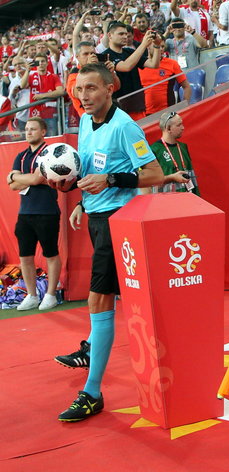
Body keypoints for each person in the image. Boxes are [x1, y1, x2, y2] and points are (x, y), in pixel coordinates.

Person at [51, 63, 164, 419]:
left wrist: (110, 180)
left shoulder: (125, 127)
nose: (83, 96)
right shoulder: (85, 122)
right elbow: (89, 169)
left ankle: (92, 391)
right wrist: (83, 201)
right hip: (97, 219)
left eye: (91, 89)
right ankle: (92, 352)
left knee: (99, 300)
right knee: (105, 301)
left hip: (120, 222)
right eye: (80, 89)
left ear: (110, 89)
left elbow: (154, 174)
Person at [6, 117, 61, 311]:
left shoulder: (50, 153)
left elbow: (37, 178)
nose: (28, 132)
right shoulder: (20, 156)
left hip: (47, 212)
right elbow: (11, 185)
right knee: (25, 257)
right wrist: (22, 178)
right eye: (27, 129)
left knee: (51, 254)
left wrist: (17, 176)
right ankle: (31, 295)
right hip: (25, 213)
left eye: (33, 129)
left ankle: (51, 294)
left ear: (43, 132)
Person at [101, 21, 162, 120]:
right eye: (121, 34)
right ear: (110, 35)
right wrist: (143, 45)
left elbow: (154, 64)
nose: (125, 37)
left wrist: (157, 45)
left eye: (126, 34)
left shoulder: (130, 52)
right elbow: (126, 66)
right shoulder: (106, 56)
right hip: (119, 106)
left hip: (136, 103)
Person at [151, 111, 199, 194]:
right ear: (168, 128)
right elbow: (150, 182)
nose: (183, 127)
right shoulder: (154, 150)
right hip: (168, 203)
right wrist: (172, 177)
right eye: (179, 125)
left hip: (189, 200)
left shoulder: (183, 147)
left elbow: (192, 178)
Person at [139, 46, 191, 114]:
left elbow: (187, 87)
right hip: (145, 115)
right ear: (148, 46)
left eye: (162, 46)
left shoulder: (172, 64)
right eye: (156, 46)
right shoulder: (140, 65)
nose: (160, 49)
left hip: (168, 112)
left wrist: (184, 108)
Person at [26, 54, 64, 137]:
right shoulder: (31, 76)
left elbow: (60, 91)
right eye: (38, 62)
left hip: (50, 114)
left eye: (42, 61)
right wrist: (27, 70)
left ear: (47, 63)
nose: (40, 64)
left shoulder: (54, 76)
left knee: (52, 137)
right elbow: (22, 85)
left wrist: (42, 96)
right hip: (35, 114)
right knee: (36, 138)